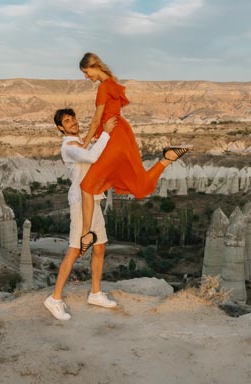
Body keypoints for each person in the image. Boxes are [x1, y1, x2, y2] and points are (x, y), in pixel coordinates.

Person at [76, 52, 190, 256]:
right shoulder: (113, 84)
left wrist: (84, 143)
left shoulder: (103, 87)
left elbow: (96, 120)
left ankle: (86, 235)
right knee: (137, 184)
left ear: (94, 67)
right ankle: (167, 159)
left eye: (86, 72)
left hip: (113, 140)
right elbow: (111, 115)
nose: (86, 77)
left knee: (86, 187)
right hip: (122, 135)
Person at [43, 108, 118, 321]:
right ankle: (55, 298)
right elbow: (92, 157)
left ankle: (95, 293)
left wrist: (98, 133)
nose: (73, 122)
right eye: (67, 120)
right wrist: (105, 132)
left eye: (73, 118)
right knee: (75, 250)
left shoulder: (79, 142)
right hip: (79, 201)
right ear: (60, 127)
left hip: (93, 198)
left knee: (100, 246)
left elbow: (92, 150)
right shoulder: (68, 147)